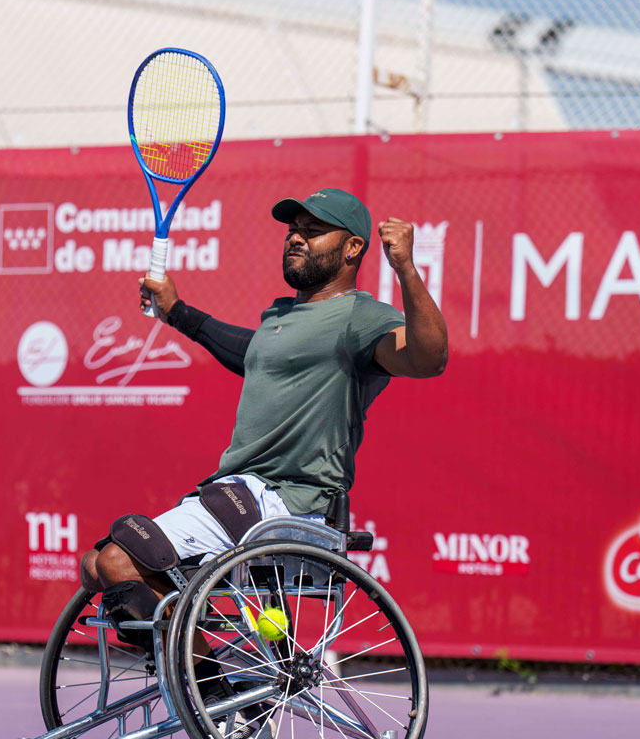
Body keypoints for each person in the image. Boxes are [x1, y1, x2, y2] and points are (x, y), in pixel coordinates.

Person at [77, 187, 447, 683]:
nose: (296, 238)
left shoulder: (360, 317)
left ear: (353, 248)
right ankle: (222, 678)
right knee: (93, 566)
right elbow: (249, 354)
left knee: (119, 561)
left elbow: (429, 358)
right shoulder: (281, 318)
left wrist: (405, 268)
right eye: (293, 229)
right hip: (236, 496)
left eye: (314, 231)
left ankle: (220, 697)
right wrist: (177, 312)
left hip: (287, 502)